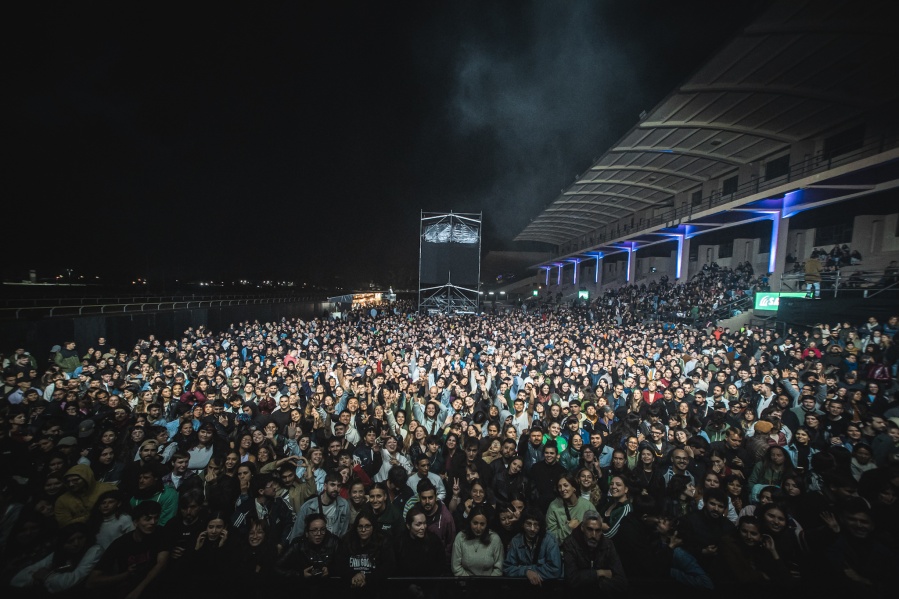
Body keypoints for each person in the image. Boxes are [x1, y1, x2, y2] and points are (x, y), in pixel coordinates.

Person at [86, 500, 169, 599]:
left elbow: (161, 564)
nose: (153, 522)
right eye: (147, 519)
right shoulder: (121, 543)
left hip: (153, 587)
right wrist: (125, 575)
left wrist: (138, 590)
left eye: (156, 518)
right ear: (135, 522)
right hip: (127, 587)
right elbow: (92, 581)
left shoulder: (160, 533)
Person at [10, 522, 105, 595]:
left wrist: (46, 576)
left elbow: (73, 579)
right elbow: (18, 578)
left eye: (80, 538)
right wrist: (34, 578)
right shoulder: (60, 552)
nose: (76, 543)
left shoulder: (94, 550)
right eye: (70, 541)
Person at [560, 509, 628, 591]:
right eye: (590, 529)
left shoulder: (608, 544)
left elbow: (621, 580)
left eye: (598, 530)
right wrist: (599, 573)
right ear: (582, 528)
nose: (594, 535)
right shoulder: (570, 544)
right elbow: (571, 579)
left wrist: (596, 583)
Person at [392, 505, 448, 599]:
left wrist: (428, 589)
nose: (423, 527)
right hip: (405, 591)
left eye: (424, 523)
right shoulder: (399, 543)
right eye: (418, 524)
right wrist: (408, 586)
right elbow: (395, 570)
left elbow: (441, 566)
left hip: (431, 589)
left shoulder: (434, 540)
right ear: (408, 526)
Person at [334, 509, 396, 594]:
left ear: (373, 527)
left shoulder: (383, 541)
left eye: (367, 526)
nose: (363, 530)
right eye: (360, 526)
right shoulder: (347, 540)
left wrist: (366, 577)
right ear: (356, 527)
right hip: (350, 588)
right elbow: (339, 564)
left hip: (375, 589)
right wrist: (353, 575)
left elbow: (388, 566)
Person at [503, 507, 562, 589]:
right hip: (522, 587)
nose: (532, 529)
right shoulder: (516, 541)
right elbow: (507, 568)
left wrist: (530, 570)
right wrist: (526, 572)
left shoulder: (549, 539)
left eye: (536, 524)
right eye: (528, 524)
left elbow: (555, 569)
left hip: (546, 587)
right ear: (522, 524)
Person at [273, 512, 339, 584]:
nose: (319, 534)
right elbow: (277, 567)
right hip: (304, 586)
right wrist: (300, 574)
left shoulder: (334, 542)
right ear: (307, 532)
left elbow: (343, 566)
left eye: (322, 529)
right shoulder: (298, 544)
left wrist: (330, 570)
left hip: (328, 585)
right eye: (314, 530)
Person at [291, 469, 350, 541]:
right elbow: (296, 534)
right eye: (332, 485)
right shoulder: (308, 506)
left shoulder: (343, 505)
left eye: (339, 486)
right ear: (325, 486)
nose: (336, 488)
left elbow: (343, 533)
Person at [450, 504, 504, 576]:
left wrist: (488, 581)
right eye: (475, 523)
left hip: (489, 582)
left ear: (487, 524)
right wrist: (469, 581)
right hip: (465, 582)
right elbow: (456, 567)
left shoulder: (495, 539)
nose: (478, 528)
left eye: (482, 524)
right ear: (470, 522)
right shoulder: (460, 537)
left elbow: (499, 568)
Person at [545, 472, 594, 544]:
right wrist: (568, 528)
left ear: (574, 488)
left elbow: (596, 530)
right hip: (562, 548)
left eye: (565, 485)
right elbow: (550, 538)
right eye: (559, 486)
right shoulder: (554, 507)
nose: (562, 489)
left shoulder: (587, 506)